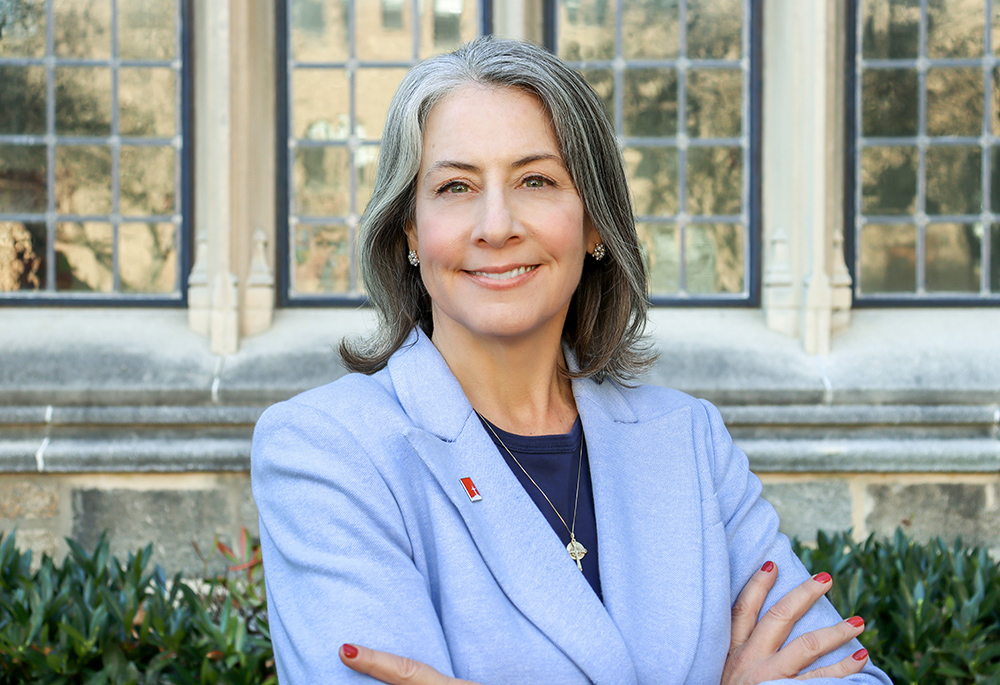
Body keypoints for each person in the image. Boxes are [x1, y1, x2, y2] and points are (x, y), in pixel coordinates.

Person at [251, 37, 892, 684]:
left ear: (593, 224)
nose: (495, 224)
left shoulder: (689, 441)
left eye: (537, 180)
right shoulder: (325, 450)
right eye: (454, 186)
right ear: (411, 230)